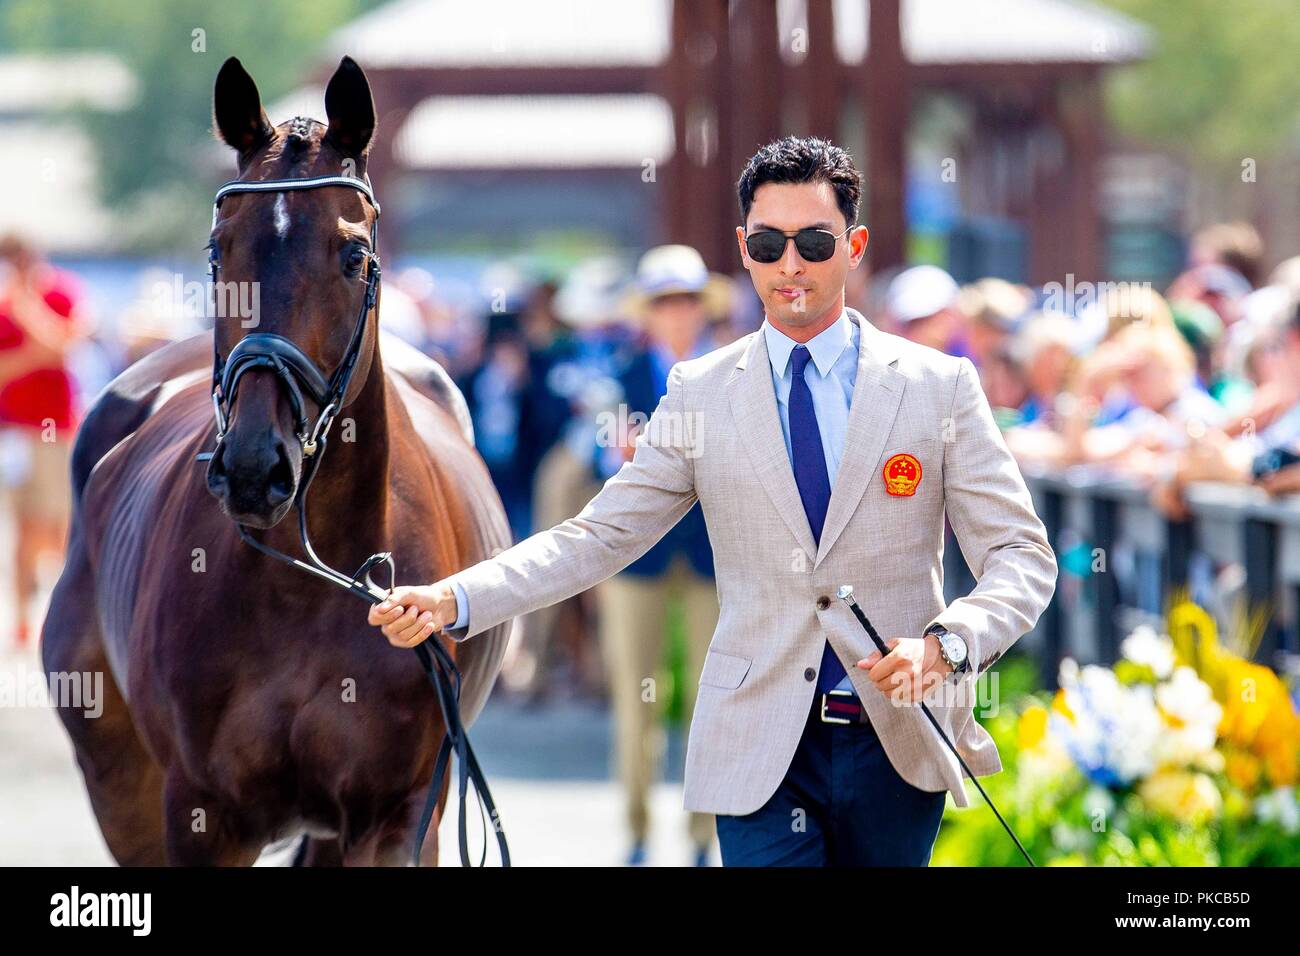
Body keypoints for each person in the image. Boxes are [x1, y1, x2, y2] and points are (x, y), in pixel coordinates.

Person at [368, 136, 1057, 866]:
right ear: (744, 249)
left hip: (894, 742)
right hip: (757, 749)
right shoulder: (700, 391)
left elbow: (1021, 554)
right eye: (768, 243)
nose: (790, 265)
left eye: (814, 242)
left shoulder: (938, 386)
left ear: (853, 246)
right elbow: (597, 536)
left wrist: (947, 645)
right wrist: (454, 598)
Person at [597, 245, 724, 865]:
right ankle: (639, 830)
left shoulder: (730, 371)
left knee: (712, 695)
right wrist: (623, 450)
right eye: (667, 302)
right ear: (648, 312)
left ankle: (703, 833)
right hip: (637, 554)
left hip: (712, 554)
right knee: (638, 695)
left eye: (687, 301)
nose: (678, 313)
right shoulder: (618, 374)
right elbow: (601, 454)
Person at [0, 235, 87, 647]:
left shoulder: (60, 293)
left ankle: (61, 609)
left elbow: (67, 347)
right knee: (25, 526)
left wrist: (28, 313)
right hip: (15, 434)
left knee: (59, 525)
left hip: (56, 431)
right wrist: (38, 352)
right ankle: (21, 618)